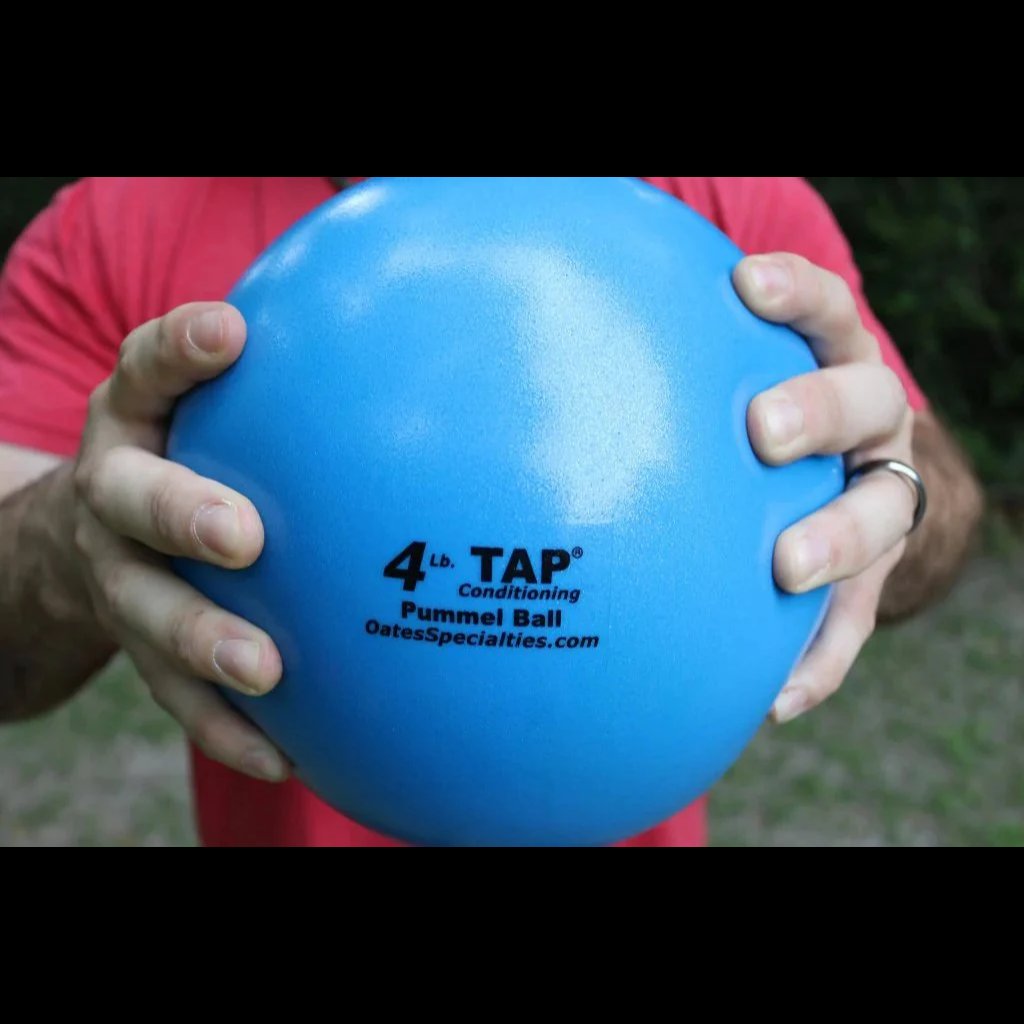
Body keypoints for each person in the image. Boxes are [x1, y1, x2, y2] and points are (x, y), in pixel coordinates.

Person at [0, 176, 984, 847]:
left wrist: (892, 490)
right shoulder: (116, 221)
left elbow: (932, 497)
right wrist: (73, 536)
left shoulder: (734, 206)